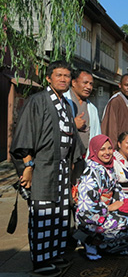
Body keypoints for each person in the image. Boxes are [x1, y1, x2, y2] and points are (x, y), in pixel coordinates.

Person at [10, 60, 85, 276]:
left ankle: (53, 254)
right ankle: (41, 262)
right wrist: (27, 166)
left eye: (67, 76)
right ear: (48, 78)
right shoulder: (38, 101)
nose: (63, 79)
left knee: (59, 214)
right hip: (42, 166)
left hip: (62, 168)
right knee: (42, 213)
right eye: (59, 75)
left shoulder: (66, 104)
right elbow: (25, 136)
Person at [76, 135, 128, 260]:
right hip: (92, 216)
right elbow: (87, 205)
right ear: (95, 150)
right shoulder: (91, 172)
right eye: (102, 149)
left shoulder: (109, 168)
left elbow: (117, 190)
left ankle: (114, 248)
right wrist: (108, 208)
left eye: (109, 149)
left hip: (107, 209)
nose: (107, 153)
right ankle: (91, 242)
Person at [64, 68, 101, 150]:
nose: (89, 87)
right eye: (85, 83)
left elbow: (97, 134)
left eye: (91, 84)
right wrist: (73, 124)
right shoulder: (63, 101)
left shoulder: (92, 108)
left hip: (86, 155)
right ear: (74, 82)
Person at [101, 73, 128, 148]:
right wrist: (113, 147)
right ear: (120, 85)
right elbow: (112, 127)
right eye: (126, 85)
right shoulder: (116, 101)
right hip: (120, 146)